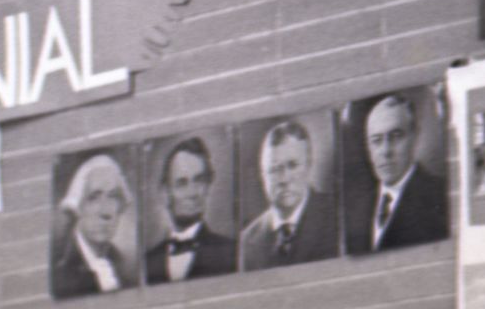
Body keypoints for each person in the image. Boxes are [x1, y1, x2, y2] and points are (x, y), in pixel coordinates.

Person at [346, 92, 448, 254]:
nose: (386, 151)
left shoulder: (440, 196)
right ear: (368, 147)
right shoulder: (355, 207)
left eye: (395, 137)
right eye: (376, 141)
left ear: (415, 137)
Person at [239, 120, 339, 269]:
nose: (284, 179)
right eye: (274, 169)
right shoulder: (248, 240)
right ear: (262, 175)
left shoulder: (338, 217)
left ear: (308, 165)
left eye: (292, 165)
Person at [142, 136, 237, 283]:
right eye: (182, 183)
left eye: (199, 181)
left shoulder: (230, 251)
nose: (192, 193)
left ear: (207, 186)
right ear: (165, 193)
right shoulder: (147, 263)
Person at [50, 153, 138, 299]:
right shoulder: (60, 271)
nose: (105, 212)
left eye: (113, 196)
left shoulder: (122, 265)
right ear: (77, 206)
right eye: (94, 198)